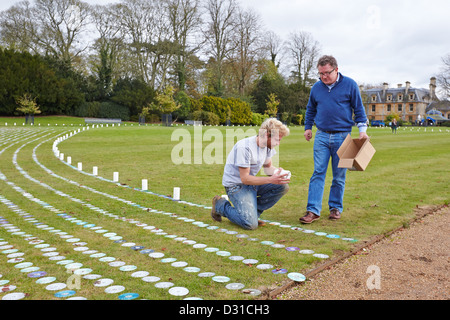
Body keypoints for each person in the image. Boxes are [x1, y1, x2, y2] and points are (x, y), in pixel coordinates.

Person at [300, 55, 369, 224]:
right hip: (321, 135)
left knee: (339, 175)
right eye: (320, 74)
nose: (324, 76)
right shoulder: (316, 88)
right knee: (318, 173)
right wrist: (308, 127)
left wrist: (362, 131)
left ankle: (335, 208)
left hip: (343, 136)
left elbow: (359, 109)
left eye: (327, 73)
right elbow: (310, 110)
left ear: (336, 70)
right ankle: (312, 210)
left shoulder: (350, 85)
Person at [211, 118, 290, 230]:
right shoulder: (245, 147)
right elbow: (245, 179)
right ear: (267, 135)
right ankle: (220, 205)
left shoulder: (267, 147)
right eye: (277, 140)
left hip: (250, 183)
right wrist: (271, 180)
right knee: (250, 224)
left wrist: (278, 173)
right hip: (236, 186)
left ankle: (253, 213)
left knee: (282, 186)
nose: (278, 143)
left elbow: (268, 168)